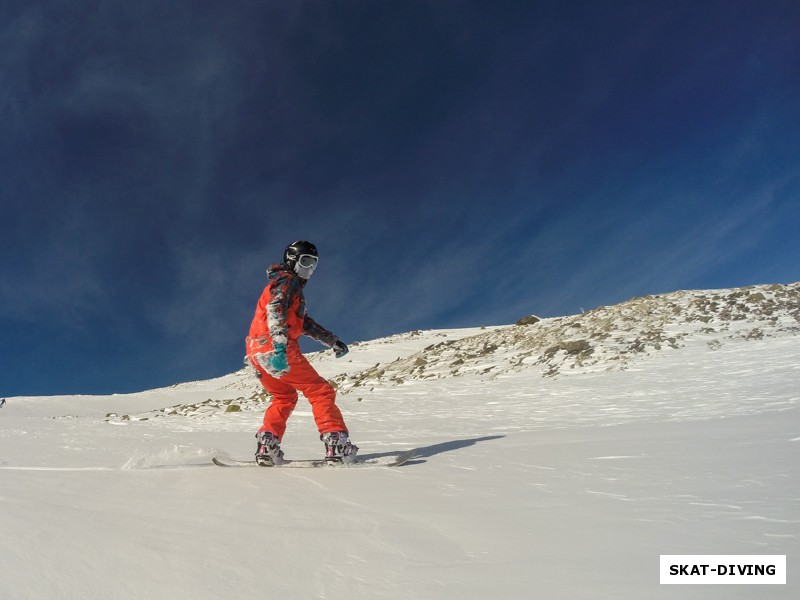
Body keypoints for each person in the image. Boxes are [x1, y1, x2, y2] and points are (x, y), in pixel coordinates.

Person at [245, 240, 357, 466]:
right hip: (277, 347)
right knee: (320, 390)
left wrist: (332, 341)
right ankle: (336, 442)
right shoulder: (288, 280)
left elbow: (304, 323)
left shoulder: (282, 284)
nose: (309, 270)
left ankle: (268, 444)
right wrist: (279, 345)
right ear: (291, 260)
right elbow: (275, 308)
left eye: (313, 265)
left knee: (284, 396)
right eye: (305, 262)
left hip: (255, 351)